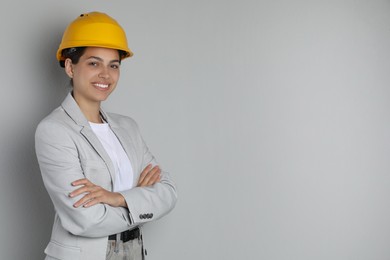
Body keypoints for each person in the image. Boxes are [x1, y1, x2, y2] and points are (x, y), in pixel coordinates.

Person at [35, 11, 177, 260]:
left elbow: (168, 192)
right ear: (70, 66)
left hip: (133, 253)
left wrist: (117, 198)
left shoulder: (128, 127)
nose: (106, 74)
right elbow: (84, 219)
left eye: (114, 65)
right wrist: (139, 200)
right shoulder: (54, 131)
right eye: (93, 63)